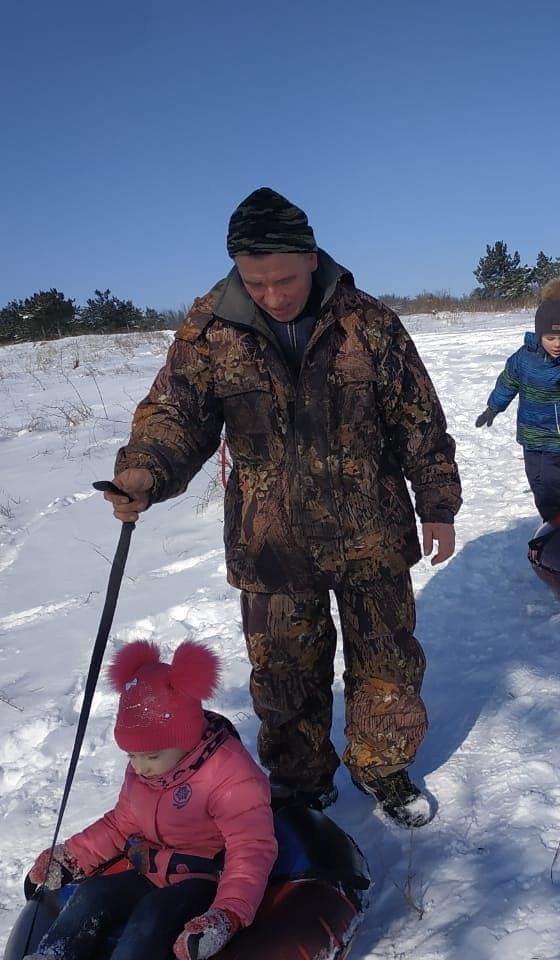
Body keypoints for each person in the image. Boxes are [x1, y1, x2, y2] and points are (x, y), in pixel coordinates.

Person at [100, 187, 463, 827]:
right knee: (285, 674)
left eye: (285, 279)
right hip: (271, 541)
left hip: (369, 530)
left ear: (312, 258)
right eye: (256, 281)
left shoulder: (368, 322)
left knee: (386, 661)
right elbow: (176, 415)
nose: (273, 294)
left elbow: (418, 420)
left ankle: (384, 768)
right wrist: (144, 472)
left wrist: (437, 502)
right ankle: (299, 787)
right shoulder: (208, 330)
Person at [26, 640, 277, 960]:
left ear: (184, 739)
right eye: (131, 755)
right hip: (148, 870)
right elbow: (120, 824)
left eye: (151, 755)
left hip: (202, 881)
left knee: (151, 917)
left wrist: (227, 913)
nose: (139, 766)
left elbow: (251, 848)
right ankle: (52, 955)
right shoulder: (145, 772)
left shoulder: (230, 774)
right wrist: (70, 858)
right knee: (93, 894)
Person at [475, 277, 560, 521]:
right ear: (540, 334)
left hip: (558, 434)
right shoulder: (524, 357)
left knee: (555, 476)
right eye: (550, 338)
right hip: (530, 433)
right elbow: (507, 382)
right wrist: (493, 408)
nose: (557, 344)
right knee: (538, 482)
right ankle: (553, 522)